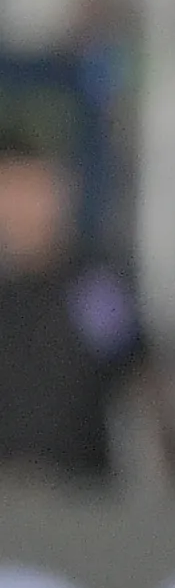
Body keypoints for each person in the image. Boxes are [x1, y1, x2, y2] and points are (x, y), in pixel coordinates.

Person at [0, 128, 148, 484]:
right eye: (14, 191)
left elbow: (138, 374)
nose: (26, 207)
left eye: (38, 190)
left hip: (80, 498)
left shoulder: (93, 287)